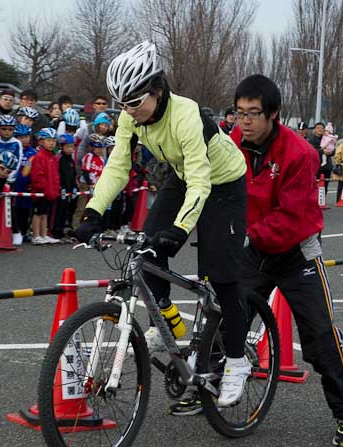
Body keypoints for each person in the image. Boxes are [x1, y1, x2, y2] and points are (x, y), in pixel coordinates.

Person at [75, 41, 251, 408]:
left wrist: (180, 231)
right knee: (146, 249)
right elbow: (118, 167)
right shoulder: (129, 117)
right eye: (123, 104)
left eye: (136, 103)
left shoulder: (185, 115)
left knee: (222, 276)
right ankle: (169, 322)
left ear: (157, 89)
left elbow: (202, 182)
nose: (130, 112)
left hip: (223, 183)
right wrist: (92, 213)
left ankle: (236, 361)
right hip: (182, 175)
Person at [230, 74, 343, 447]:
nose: (246, 122)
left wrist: (248, 236)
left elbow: (290, 218)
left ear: (273, 115)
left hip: (296, 251)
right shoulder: (232, 144)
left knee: (320, 336)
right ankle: (203, 387)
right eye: (239, 114)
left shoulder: (300, 153)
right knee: (225, 320)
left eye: (253, 113)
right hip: (252, 249)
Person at [29, 128, 60, 244]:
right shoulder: (39, 156)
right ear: (41, 142)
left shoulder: (53, 157)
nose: (51, 143)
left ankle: (44, 234)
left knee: (45, 213)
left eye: (53, 140)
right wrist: (43, 187)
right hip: (40, 191)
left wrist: (55, 188)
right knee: (37, 213)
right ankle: (36, 235)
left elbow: (55, 174)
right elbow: (37, 175)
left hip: (49, 191)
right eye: (48, 140)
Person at [11, 124, 35, 246]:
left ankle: (24, 232)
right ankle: (14, 231)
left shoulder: (32, 152)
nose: (24, 140)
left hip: (26, 186)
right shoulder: (14, 149)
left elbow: (35, 169)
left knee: (26, 211)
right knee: (14, 209)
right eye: (20, 137)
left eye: (26, 137)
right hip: (14, 184)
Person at [53, 134, 78, 239]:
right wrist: (61, 186)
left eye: (72, 146)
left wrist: (74, 186)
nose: (70, 149)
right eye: (67, 146)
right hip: (61, 190)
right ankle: (57, 231)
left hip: (70, 190)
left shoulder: (71, 161)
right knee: (59, 210)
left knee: (68, 210)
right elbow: (58, 174)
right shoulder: (59, 159)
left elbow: (73, 174)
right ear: (61, 147)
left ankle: (64, 229)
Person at [307, 122, 334, 187]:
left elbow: (334, 150)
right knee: (316, 186)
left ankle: (323, 197)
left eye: (322, 128)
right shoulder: (311, 140)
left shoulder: (328, 138)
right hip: (317, 167)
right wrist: (322, 151)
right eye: (318, 128)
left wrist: (330, 152)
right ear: (315, 130)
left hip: (327, 167)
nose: (320, 129)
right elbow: (312, 152)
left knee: (325, 187)